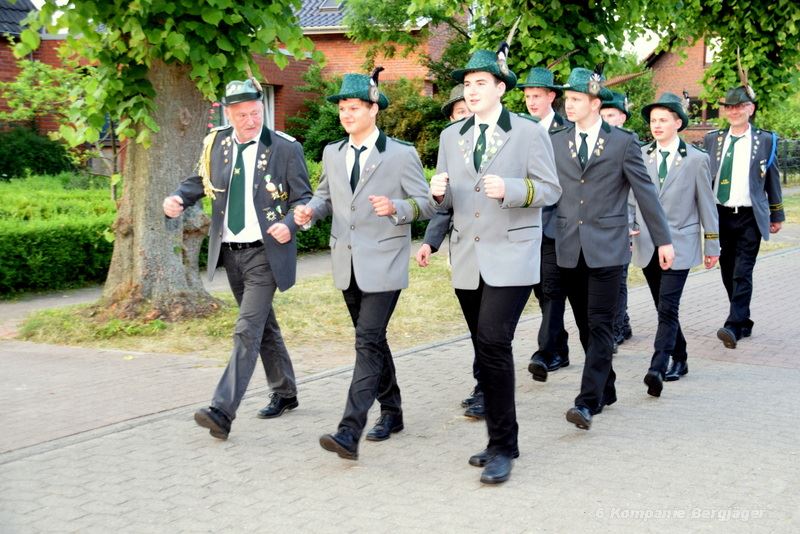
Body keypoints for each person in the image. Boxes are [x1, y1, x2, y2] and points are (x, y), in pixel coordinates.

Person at [429, 48, 561, 484]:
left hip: (512, 254)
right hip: (467, 257)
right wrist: (437, 193)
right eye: (467, 84)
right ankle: (499, 441)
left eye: (481, 83)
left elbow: (550, 190)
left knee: (493, 341)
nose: (471, 90)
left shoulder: (526, 132)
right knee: (483, 347)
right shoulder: (451, 135)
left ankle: (504, 446)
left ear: (501, 88)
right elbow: (450, 200)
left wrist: (512, 188)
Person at [294, 69, 434, 461]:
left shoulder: (400, 154)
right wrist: (310, 211)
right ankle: (392, 411)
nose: (346, 114)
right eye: (342, 108)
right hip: (347, 261)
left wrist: (396, 207)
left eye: (353, 107)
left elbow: (427, 203)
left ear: (374, 109)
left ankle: (348, 430)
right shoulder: (332, 152)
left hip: (385, 262)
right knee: (372, 340)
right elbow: (325, 197)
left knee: (367, 340)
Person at [163, 79, 312, 440]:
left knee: (246, 330)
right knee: (263, 327)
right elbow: (202, 180)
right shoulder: (217, 144)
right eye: (242, 114)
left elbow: (303, 198)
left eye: (255, 113)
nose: (250, 120)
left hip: (266, 252)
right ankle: (285, 391)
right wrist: (179, 198)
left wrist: (290, 224)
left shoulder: (284, 148)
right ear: (228, 114)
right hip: (231, 253)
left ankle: (222, 410)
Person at [551, 68, 674, 431]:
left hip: (608, 247)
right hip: (569, 246)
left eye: (576, 99)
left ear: (595, 103)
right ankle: (607, 386)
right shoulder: (556, 141)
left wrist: (663, 240)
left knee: (601, 324)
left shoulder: (622, 142)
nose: (569, 105)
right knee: (584, 326)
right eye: (567, 99)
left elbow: (645, 192)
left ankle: (587, 401)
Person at [633, 92, 719, 395]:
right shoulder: (640, 155)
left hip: (680, 243)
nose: (656, 125)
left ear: (678, 123)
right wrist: (629, 226)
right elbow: (631, 197)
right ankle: (680, 357)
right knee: (663, 306)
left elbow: (707, 205)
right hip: (647, 244)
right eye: (653, 120)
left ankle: (657, 366)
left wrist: (712, 246)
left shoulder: (696, 159)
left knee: (668, 306)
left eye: (663, 120)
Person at [415, 84, 484, 419]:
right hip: (464, 251)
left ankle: (487, 388)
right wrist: (429, 243)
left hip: (500, 251)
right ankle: (484, 383)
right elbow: (444, 206)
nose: (465, 118)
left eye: (469, 111)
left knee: (491, 329)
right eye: (459, 113)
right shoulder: (451, 150)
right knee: (476, 326)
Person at [705, 85, 784, 349]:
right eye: (729, 107)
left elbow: (772, 178)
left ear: (750, 109)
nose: (734, 111)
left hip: (750, 215)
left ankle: (732, 325)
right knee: (728, 270)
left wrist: (776, 213)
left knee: (742, 271)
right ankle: (743, 320)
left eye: (739, 106)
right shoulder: (713, 139)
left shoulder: (766, 140)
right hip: (720, 215)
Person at [517, 66, 572, 382]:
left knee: (551, 288)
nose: (532, 102)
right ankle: (560, 347)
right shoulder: (519, 130)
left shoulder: (566, 132)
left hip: (555, 224)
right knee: (539, 290)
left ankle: (546, 352)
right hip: (524, 224)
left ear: (551, 96)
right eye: (527, 96)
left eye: (537, 96)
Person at [600, 90, 636, 350]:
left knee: (619, 276)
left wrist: (632, 225)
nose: (606, 120)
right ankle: (622, 321)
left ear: (622, 117)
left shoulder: (629, 144)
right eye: (602, 115)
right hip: (599, 223)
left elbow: (637, 192)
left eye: (611, 115)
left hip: (624, 222)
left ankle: (616, 328)